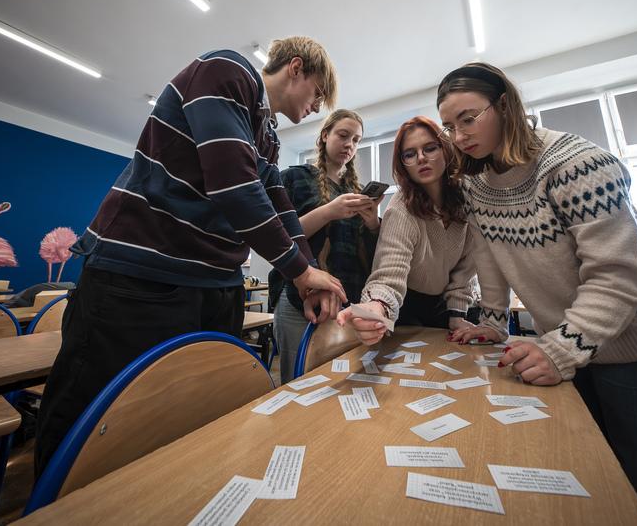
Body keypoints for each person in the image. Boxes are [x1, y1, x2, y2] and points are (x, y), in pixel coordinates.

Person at [35, 38, 348, 478]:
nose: (317, 107)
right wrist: (298, 269)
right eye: (318, 94)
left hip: (215, 285)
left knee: (185, 423)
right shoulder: (227, 70)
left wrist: (305, 273)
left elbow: (278, 204)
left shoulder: (268, 135)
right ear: (296, 68)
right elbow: (233, 185)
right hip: (140, 278)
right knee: (92, 424)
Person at [436, 62, 637, 526]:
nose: (459, 135)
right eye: (450, 125)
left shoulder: (575, 162)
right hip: (576, 343)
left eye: (468, 118)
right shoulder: (475, 182)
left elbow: (620, 276)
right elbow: (490, 254)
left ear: (504, 104)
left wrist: (563, 349)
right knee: (602, 482)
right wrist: (492, 321)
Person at [336, 116, 477, 340]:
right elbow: (389, 273)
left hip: (443, 303)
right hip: (404, 303)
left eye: (430, 149)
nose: (421, 158)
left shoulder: (469, 199)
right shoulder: (402, 207)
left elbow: (466, 268)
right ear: (403, 164)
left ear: (446, 149)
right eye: (410, 154)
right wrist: (378, 305)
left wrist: (457, 312)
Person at [273, 109, 380, 383]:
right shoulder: (294, 178)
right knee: (297, 386)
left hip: (347, 303)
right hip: (302, 302)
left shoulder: (352, 191)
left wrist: (371, 225)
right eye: (343, 136)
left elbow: (369, 254)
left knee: (343, 385)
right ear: (325, 135)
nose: (350, 145)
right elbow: (279, 237)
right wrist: (328, 212)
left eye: (356, 140)